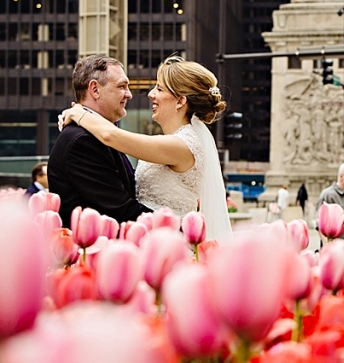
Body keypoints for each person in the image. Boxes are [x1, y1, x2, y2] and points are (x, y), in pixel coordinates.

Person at [59, 55, 233, 241]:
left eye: (159, 88)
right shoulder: (173, 141)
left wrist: (78, 112)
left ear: (181, 101)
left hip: (167, 241)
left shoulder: (182, 144)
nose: (151, 94)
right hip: (151, 238)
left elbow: (110, 135)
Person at [49, 55, 151, 228]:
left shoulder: (98, 134)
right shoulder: (82, 142)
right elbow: (119, 210)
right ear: (95, 89)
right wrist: (177, 228)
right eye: (121, 86)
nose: (129, 94)